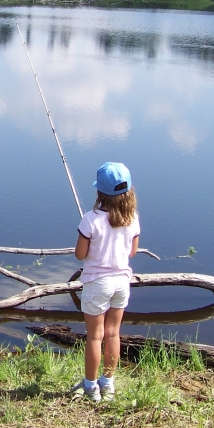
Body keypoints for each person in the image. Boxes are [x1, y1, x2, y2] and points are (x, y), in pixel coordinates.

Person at [73, 162, 140, 402]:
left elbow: (80, 255)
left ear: (99, 192)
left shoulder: (90, 220)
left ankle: (91, 387)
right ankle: (108, 384)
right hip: (121, 282)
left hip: (97, 284)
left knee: (94, 336)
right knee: (113, 334)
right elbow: (132, 251)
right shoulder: (133, 219)